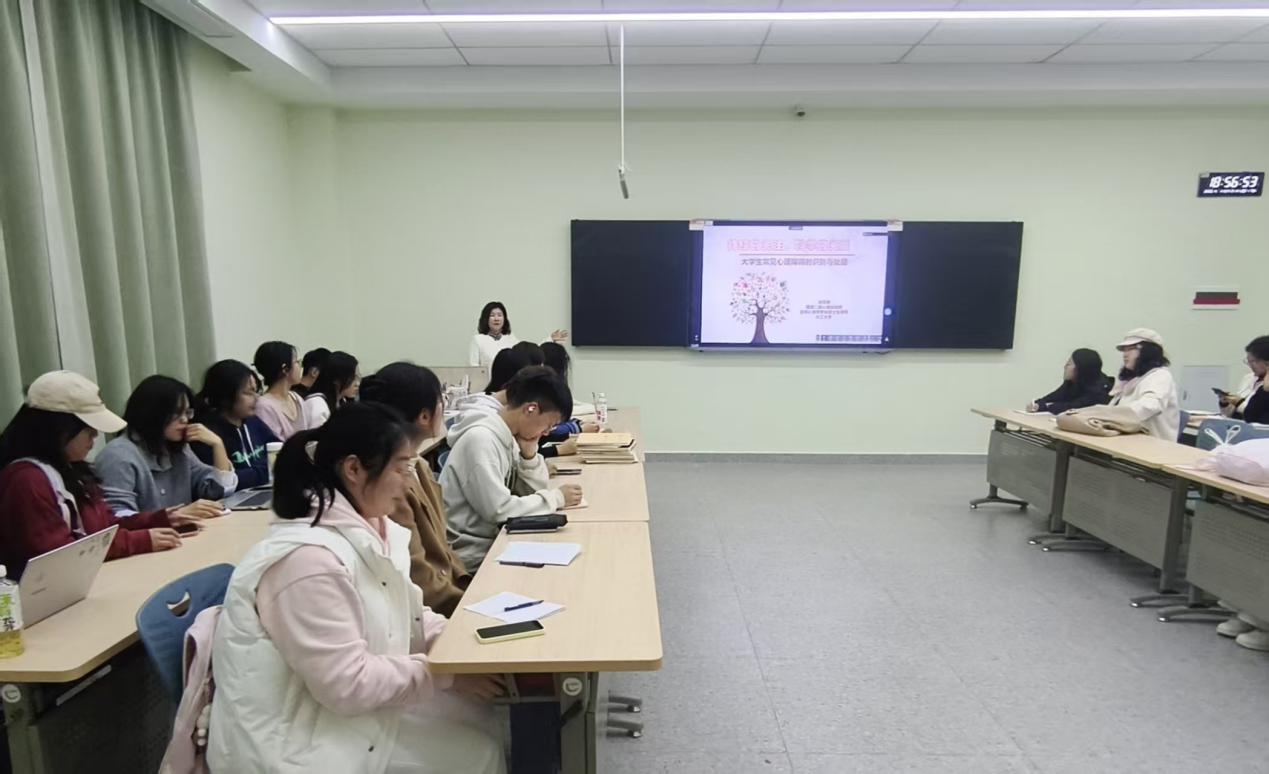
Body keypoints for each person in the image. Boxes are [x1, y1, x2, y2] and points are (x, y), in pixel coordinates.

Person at [207, 402, 506, 774]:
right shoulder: (307, 562)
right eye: (401, 468)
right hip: (294, 743)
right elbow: (346, 685)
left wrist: (459, 643)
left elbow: (409, 614)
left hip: (334, 712)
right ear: (353, 469)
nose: (409, 483)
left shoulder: (370, 529)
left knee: (487, 716)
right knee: (477, 753)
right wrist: (445, 673)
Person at [0, 372, 207, 578]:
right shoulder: (27, 479)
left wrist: (159, 519)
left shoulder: (73, 469)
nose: (95, 436)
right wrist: (140, 541)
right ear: (58, 429)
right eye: (88, 429)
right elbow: (61, 555)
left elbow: (104, 525)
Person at [440, 366, 583, 570]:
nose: (547, 432)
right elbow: (500, 510)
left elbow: (532, 495)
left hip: (496, 540)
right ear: (531, 409)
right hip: (471, 557)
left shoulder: (508, 436)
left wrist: (529, 456)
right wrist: (557, 498)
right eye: (549, 424)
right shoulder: (481, 440)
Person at [360, 363, 472, 616]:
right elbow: (419, 578)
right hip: (432, 610)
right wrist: (470, 607)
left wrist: (473, 590)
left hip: (452, 593)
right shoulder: (390, 485)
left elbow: (445, 550)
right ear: (424, 416)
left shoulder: (418, 464)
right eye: (441, 401)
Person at [96, 376, 238, 515]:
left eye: (187, 412)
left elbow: (216, 491)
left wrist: (217, 444)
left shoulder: (179, 450)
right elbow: (117, 515)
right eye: (176, 413)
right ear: (151, 413)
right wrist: (172, 516)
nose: (184, 420)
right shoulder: (118, 455)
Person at [192, 360, 280, 490]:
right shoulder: (206, 434)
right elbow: (223, 484)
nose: (256, 398)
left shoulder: (253, 422)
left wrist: (246, 475)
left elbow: (283, 458)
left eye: (256, 391)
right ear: (226, 394)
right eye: (248, 393)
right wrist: (265, 471)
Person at [1108, 328, 1181, 441]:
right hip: (1127, 441)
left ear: (1148, 351)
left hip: (1152, 445)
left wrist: (1113, 416)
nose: (1125, 355)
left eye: (1131, 349)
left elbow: (1150, 406)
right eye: (1124, 350)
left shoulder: (1160, 376)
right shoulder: (1132, 379)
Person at [467, 301, 567, 368]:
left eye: (500, 315)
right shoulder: (478, 339)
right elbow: (474, 368)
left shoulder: (510, 339)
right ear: (486, 319)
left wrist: (549, 339)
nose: (496, 319)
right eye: (492, 315)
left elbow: (529, 351)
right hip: (487, 389)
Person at [1028, 348, 1113, 414]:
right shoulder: (1072, 383)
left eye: (1069, 363)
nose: (1065, 366)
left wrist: (1044, 406)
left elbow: (1071, 409)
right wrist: (1036, 404)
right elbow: (1050, 398)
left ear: (1081, 368)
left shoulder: (1099, 391)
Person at [254, 341, 310, 441]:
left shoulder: (297, 399)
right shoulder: (264, 406)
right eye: (297, 362)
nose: (300, 366)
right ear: (285, 369)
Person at [302, 350, 360, 429]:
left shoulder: (342, 402)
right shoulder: (317, 404)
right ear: (336, 380)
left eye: (358, 377)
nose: (357, 384)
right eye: (353, 378)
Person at [1220, 335, 1269, 424]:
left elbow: (1255, 414)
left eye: (1253, 361)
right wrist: (1226, 403)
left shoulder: (1265, 387)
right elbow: (1231, 414)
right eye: (1248, 361)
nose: (1250, 365)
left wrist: (1238, 402)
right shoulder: (1248, 378)